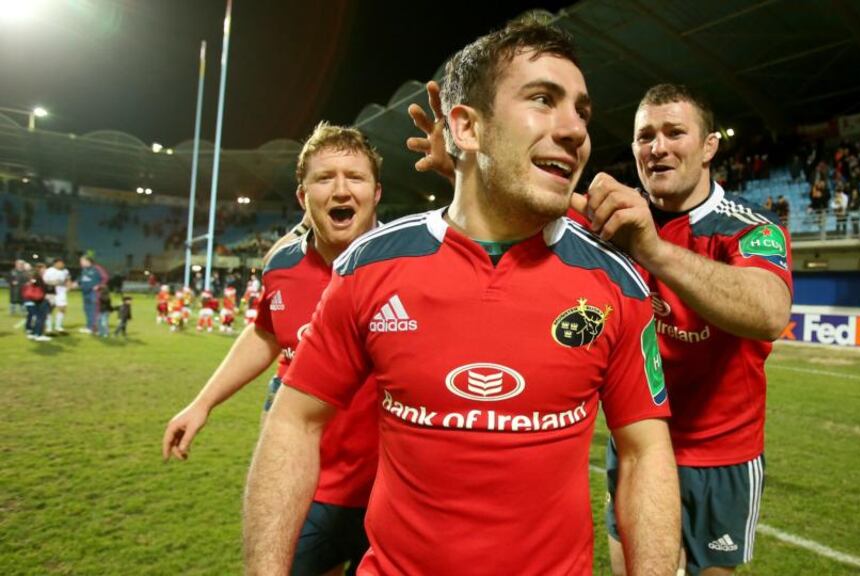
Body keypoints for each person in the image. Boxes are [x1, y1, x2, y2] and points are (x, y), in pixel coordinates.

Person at [246, 20, 679, 576]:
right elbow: (294, 422)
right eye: (543, 99)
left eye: (581, 111)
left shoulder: (616, 282)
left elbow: (645, 453)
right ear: (467, 127)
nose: (575, 129)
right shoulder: (370, 266)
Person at [407, 80, 790, 576]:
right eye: (645, 136)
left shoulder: (748, 227)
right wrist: (467, 163)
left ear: (709, 146)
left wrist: (652, 250)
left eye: (675, 133)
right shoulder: (609, 217)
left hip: (722, 455)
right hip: (636, 443)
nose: (658, 147)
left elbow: (769, 312)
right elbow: (523, 198)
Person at [164, 123, 384, 576]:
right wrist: (202, 403)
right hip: (309, 487)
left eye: (354, 177)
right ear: (303, 197)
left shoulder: (412, 261)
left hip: (392, 493)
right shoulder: (282, 264)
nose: (341, 189)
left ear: (376, 193)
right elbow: (266, 333)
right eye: (324, 178)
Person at [78, 255, 108, 334]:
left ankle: (95, 328)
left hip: (94, 293)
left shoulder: (97, 268)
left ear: (88, 261)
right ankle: (89, 327)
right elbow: (81, 279)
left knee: (94, 310)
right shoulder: (84, 270)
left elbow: (105, 278)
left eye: (82, 261)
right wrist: (75, 284)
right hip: (85, 293)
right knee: (87, 310)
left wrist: (99, 286)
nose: (80, 263)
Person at [43, 258, 71, 334]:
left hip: (61, 292)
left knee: (62, 308)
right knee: (49, 309)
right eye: (60, 263)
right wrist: (53, 282)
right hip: (51, 292)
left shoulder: (65, 271)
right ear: (55, 263)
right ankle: (49, 328)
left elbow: (68, 279)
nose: (62, 265)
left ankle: (58, 327)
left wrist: (68, 287)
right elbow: (45, 281)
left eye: (63, 263)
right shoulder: (49, 271)